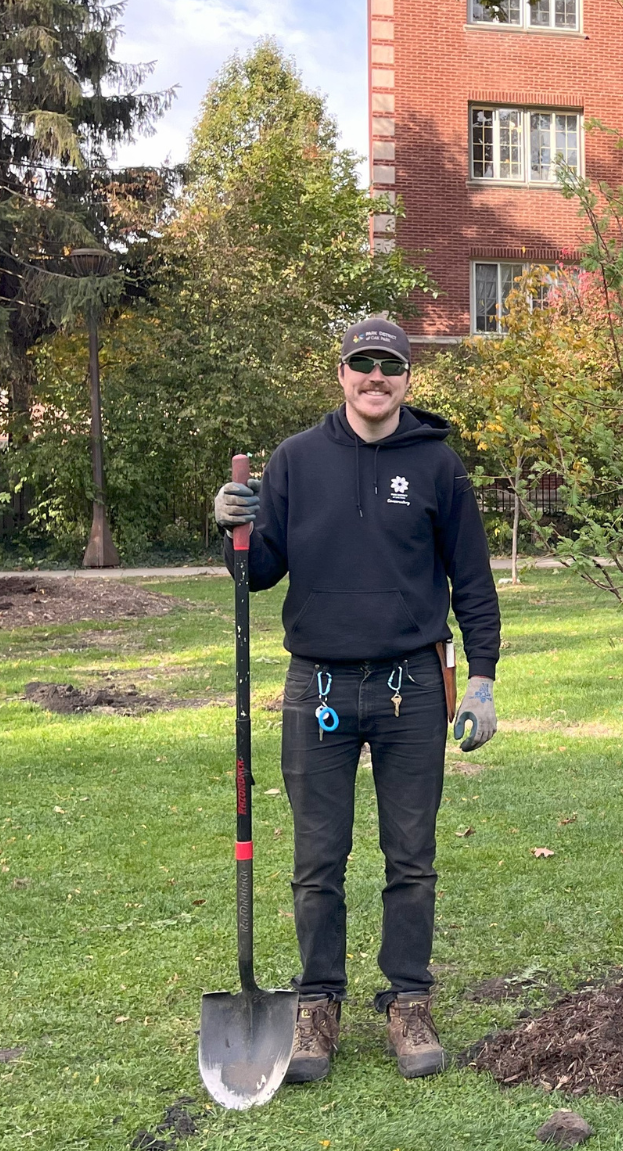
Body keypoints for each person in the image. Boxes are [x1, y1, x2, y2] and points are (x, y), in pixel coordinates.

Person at [212, 318, 501, 1083]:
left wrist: (482, 678)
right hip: (319, 688)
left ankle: (408, 999)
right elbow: (259, 572)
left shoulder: (439, 466)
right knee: (317, 860)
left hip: (412, 687)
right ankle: (317, 1005)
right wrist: (232, 530)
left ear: (408, 378)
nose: (376, 378)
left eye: (391, 367)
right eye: (362, 365)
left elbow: (472, 582)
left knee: (412, 858)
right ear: (340, 373)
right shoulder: (296, 463)